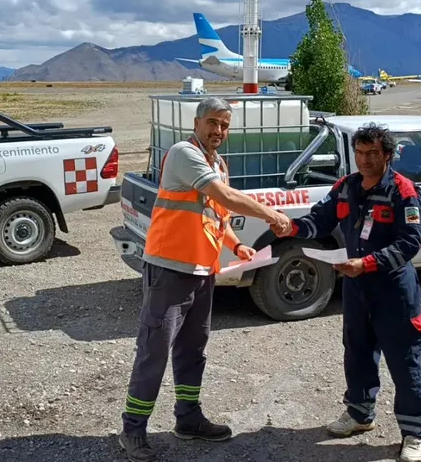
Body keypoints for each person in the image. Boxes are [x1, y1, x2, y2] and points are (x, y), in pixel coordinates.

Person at [119, 96, 292, 462]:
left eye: (225, 125)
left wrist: (237, 244)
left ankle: (189, 419)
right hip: (169, 269)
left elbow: (216, 212)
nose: (219, 131)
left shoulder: (218, 163)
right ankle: (133, 429)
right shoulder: (185, 153)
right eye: (213, 122)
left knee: (193, 350)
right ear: (197, 122)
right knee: (154, 352)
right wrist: (270, 215)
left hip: (202, 271)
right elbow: (224, 195)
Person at [271, 122, 421, 462]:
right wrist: (291, 227)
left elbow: (409, 243)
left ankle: (415, 433)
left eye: (372, 153)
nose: (364, 160)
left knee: (404, 361)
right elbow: (321, 219)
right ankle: (360, 414)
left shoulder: (404, 192)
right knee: (357, 352)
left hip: (394, 291)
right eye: (359, 153)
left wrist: (369, 263)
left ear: (387, 155)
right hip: (357, 289)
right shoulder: (346, 187)